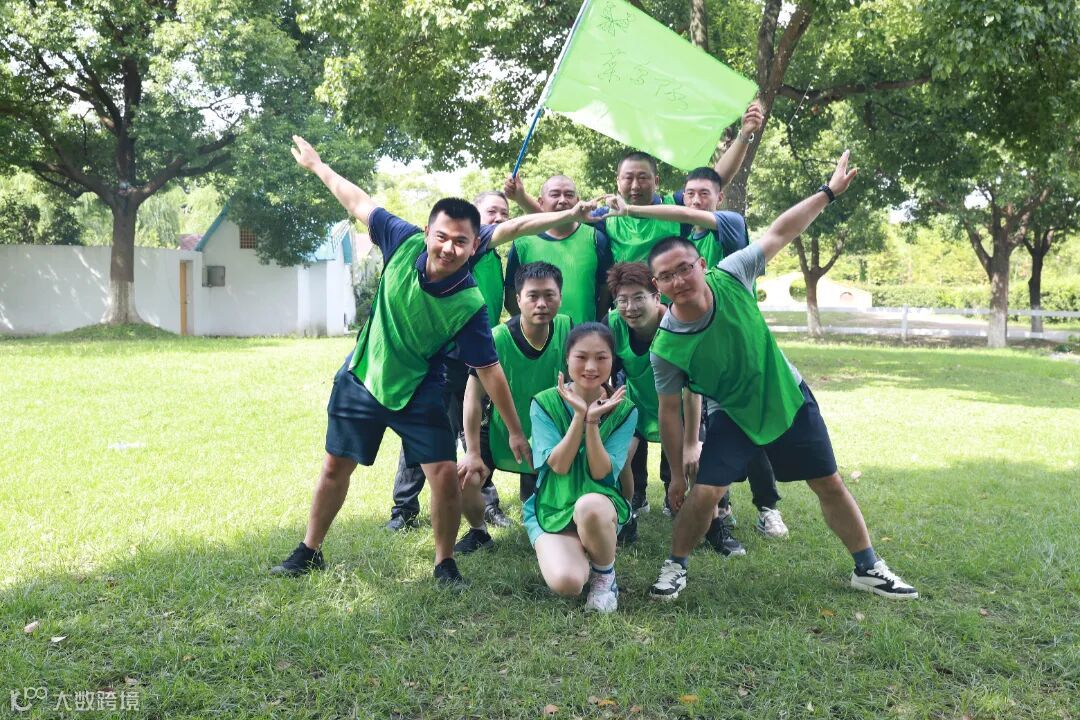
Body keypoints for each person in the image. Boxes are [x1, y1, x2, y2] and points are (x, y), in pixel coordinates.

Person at [272, 135, 598, 584]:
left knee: (444, 474)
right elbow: (357, 201)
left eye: (461, 242)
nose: (448, 248)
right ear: (427, 233)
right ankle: (309, 550)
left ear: (474, 245)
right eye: (441, 237)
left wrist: (514, 429)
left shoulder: (470, 305)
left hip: (420, 387)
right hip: (363, 375)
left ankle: (445, 562)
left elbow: (490, 371)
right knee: (334, 466)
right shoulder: (401, 240)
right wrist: (318, 166)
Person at [628, 151, 918, 601]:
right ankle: (675, 567)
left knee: (828, 482)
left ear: (701, 265)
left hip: (786, 394)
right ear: (657, 286)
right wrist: (677, 475)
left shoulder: (732, 274)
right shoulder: (665, 348)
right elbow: (669, 412)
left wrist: (828, 192)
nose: (679, 280)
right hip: (733, 414)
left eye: (685, 268)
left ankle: (868, 567)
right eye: (667, 276)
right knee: (705, 492)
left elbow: (782, 230)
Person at [385, 191, 514, 532]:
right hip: (443, 359)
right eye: (491, 212)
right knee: (422, 433)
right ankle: (403, 510)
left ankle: (487, 504)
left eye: (504, 213)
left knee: (477, 435)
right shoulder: (468, 250)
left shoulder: (494, 258)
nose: (499, 219)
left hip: (478, 359)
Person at [605, 262, 744, 557]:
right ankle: (625, 516)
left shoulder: (679, 323)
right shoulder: (613, 323)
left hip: (681, 408)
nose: (630, 307)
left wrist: (691, 443)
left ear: (657, 296)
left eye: (638, 297)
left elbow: (692, 389)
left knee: (699, 463)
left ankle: (715, 527)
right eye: (622, 300)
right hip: (638, 408)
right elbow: (605, 370)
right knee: (616, 457)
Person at [510, 323, 637, 613]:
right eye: (581, 357)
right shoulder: (544, 403)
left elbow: (600, 473)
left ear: (612, 361)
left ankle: (604, 576)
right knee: (567, 583)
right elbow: (559, 465)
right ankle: (585, 550)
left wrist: (592, 422)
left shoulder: (625, 409)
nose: (591, 367)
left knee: (589, 506)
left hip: (598, 506)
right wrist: (580, 415)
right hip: (552, 505)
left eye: (601, 358)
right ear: (567, 359)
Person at [454, 262, 572, 554]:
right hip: (497, 429)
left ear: (560, 297)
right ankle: (478, 531)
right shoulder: (496, 338)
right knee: (466, 478)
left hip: (547, 433)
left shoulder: (568, 329)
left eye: (549, 295)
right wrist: (472, 452)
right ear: (518, 299)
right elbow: (472, 398)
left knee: (546, 509)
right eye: (533, 296)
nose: (541, 304)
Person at [502, 174, 613, 324]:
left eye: (569, 195)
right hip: (537, 336)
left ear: (578, 201)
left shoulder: (596, 239)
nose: (562, 200)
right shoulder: (522, 241)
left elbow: (605, 289)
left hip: (583, 333)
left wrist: (596, 326)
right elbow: (510, 294)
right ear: (541, 202)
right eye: (555, 195)